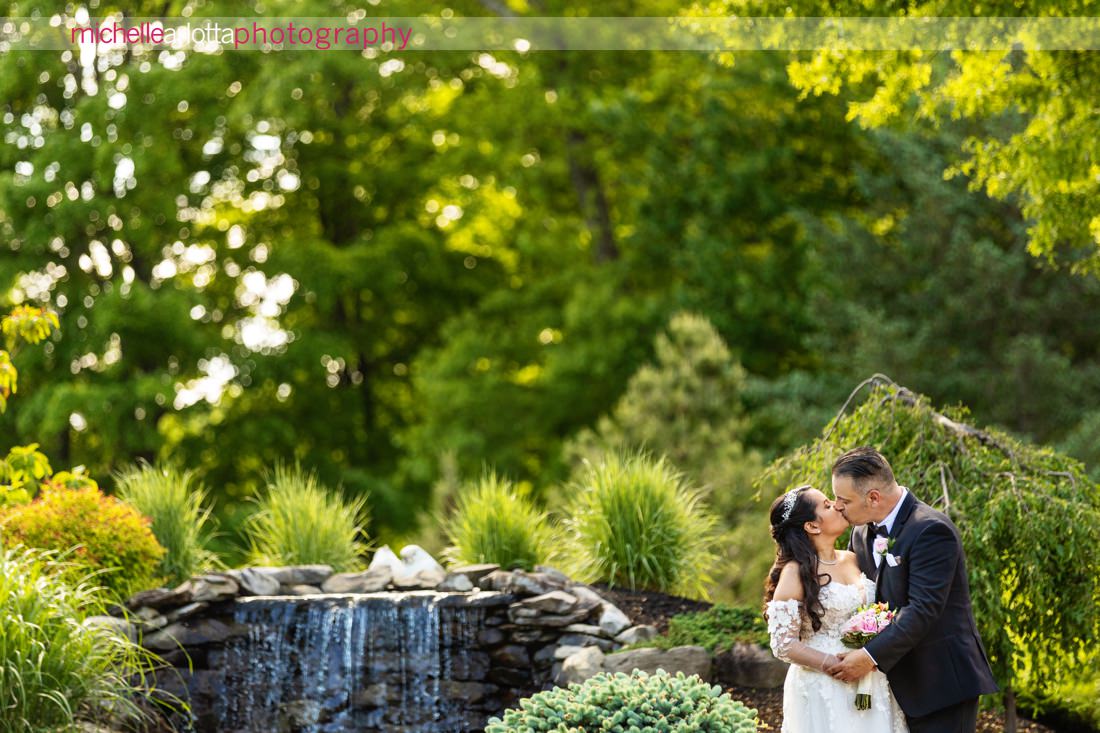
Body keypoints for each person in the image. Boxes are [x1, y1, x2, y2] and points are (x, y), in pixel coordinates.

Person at [826, 446, 999, 733]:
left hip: (940, 684)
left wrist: (869, 657)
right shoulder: (860, 532)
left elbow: (923, 609)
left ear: (873, 497)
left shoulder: (931, 530)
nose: (837, 506)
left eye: (843, 499)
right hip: (889, 689)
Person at [764, 484, 908, 732]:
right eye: (827, 505)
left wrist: (866, 657)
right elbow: (783, 643)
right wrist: (835, 665)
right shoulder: (795, 572)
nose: (837, 505)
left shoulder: (854, 557)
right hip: (824, 684)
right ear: (812, 526)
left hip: (870, 677)